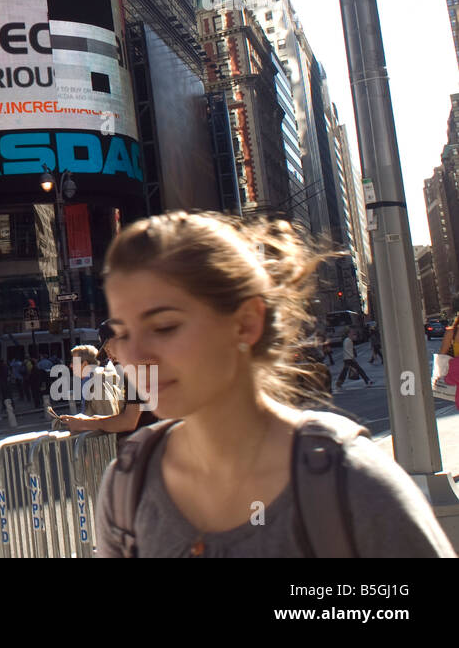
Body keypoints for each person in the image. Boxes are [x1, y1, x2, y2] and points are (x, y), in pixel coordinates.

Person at [93, 211, 454, 557]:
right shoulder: (127, 487)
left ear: (246, 323)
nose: (134, 355)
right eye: (123, 333)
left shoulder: (352, 483)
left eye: (164, 326)